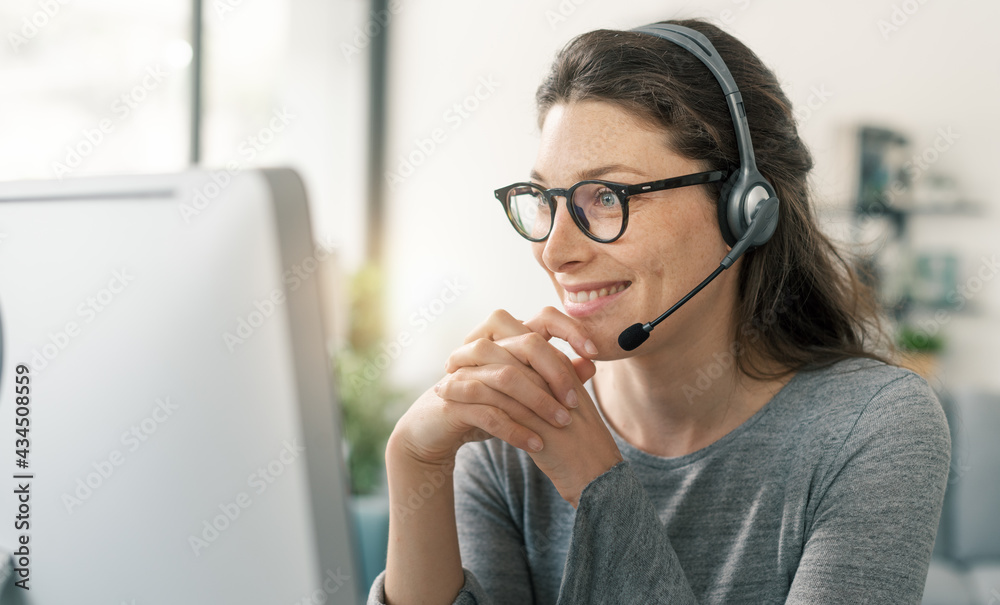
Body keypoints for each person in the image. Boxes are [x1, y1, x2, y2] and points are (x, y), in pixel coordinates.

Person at [368, 18, 951, 605]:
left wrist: (600, 487)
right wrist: (415, 463)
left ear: (744, 213)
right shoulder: (511, 427)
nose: (556, 251)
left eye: (607, 196)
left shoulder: (871, 426)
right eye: (546, 200)